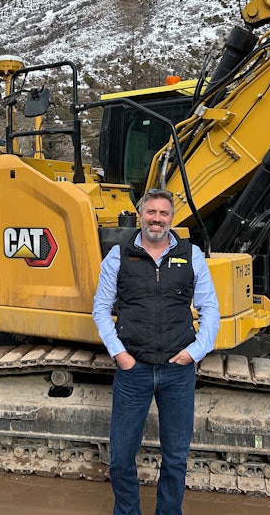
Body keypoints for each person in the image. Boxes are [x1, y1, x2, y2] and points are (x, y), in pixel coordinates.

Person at [92, 188, 220, 515]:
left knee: (176, 458)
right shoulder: (118, 256)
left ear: (171, 218)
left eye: (164, 214)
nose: (157, 219)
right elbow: (101, 309)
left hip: (178, 372)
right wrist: (120, 354)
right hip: (133, 371)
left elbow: (210, 309)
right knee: (121, 458)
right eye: (151, 212)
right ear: (140, 215)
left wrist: (195, 352)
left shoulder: (191, 256)